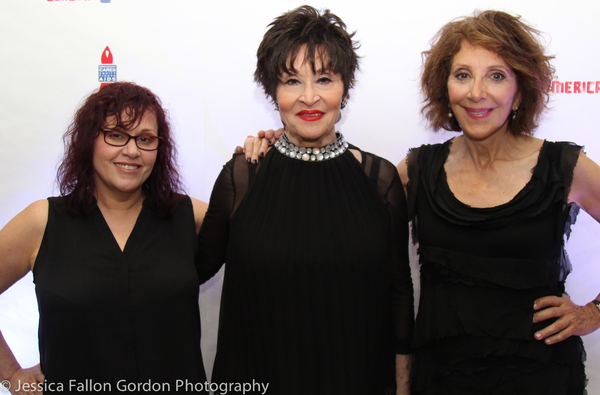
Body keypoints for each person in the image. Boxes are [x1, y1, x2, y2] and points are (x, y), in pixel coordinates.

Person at [198, 6, 414, 395]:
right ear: (272, 92)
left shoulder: (379, 181)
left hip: (356, 379)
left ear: (344, 88)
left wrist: (401, 387)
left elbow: (399, 292)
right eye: (292, 80)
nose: (309, 97)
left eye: (325, 78)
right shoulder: (242, 176)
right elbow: (187, 271)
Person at [395, 10, 600, 395]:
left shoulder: (565, 167)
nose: (476, 92)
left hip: (542, 379)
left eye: (497, 75)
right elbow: (346, 229)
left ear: (520, 91)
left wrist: (594, 313)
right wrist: (283, 146)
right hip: (442, 379)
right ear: (445, 86)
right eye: (462, 75)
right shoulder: (417, 170)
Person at [0, 82, 209, 394]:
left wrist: (275, 150)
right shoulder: (42, 221)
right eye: (116, 135)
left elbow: (273, 241)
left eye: (145, 139)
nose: (132, 150)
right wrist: (10, 373)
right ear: (89, 141)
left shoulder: (189, 216)